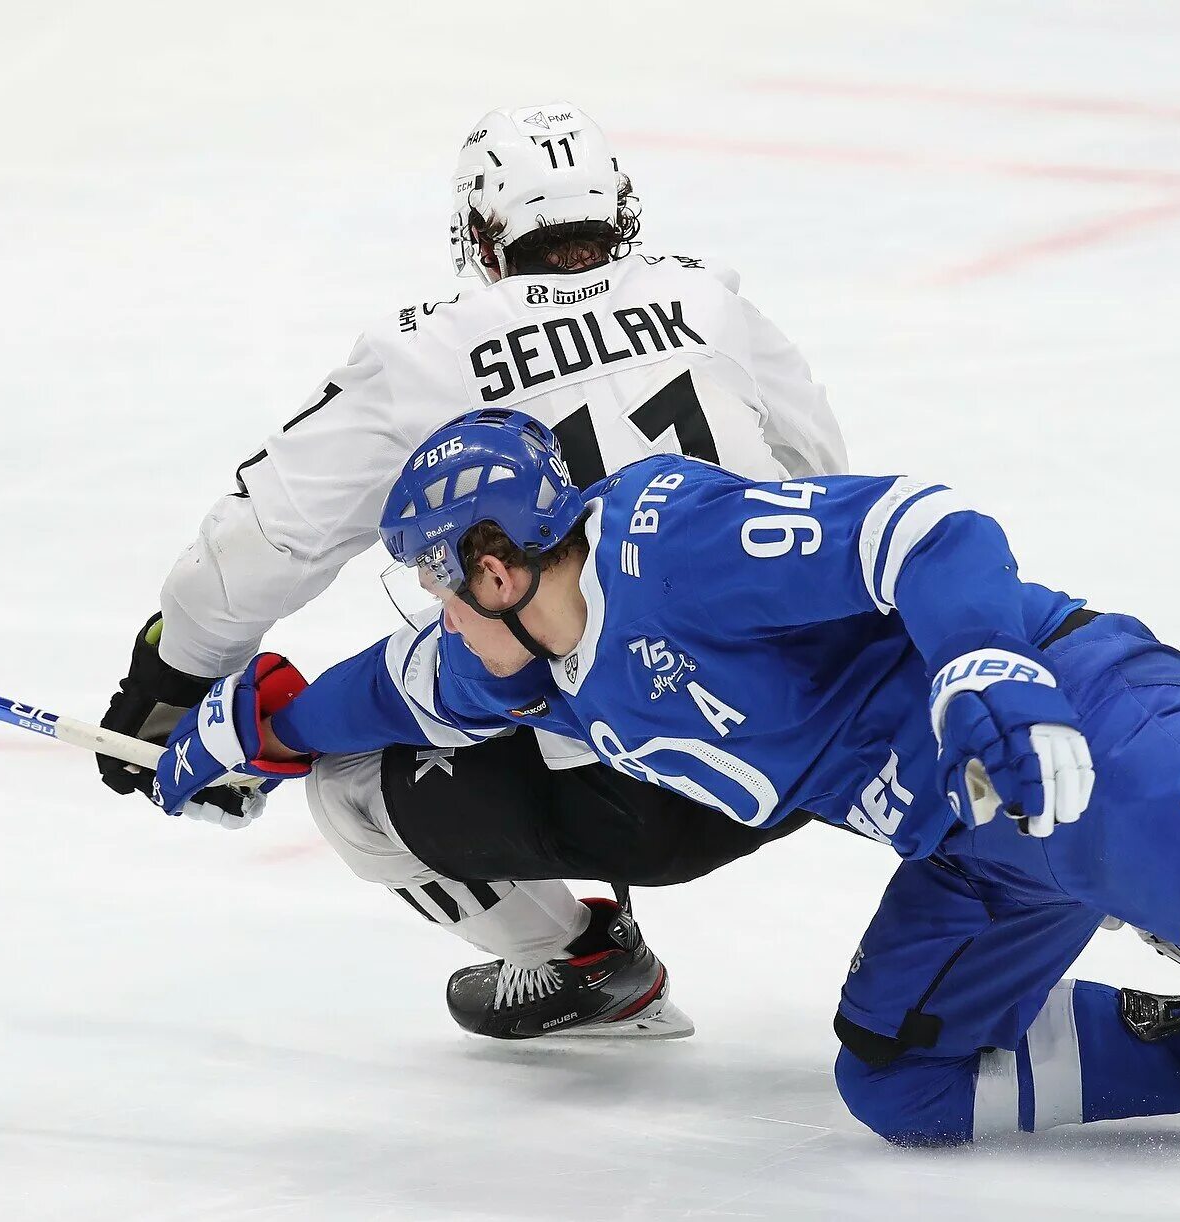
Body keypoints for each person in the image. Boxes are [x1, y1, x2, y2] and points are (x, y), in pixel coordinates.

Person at [141, 410, 1180, 1142]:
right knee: (902, 1076)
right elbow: (368, 690)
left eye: (432, 573)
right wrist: (234, 732)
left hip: (1061, 726)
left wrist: (984, 666)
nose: (427, 604)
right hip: (972, 835)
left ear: (493, 559)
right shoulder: (511, 654)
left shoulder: (665, 540)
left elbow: (924, 528)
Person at [94, 103, 847, 1037]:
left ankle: (580, 964)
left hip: (627, 787)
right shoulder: (710, 298)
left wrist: (176, 669)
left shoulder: (429, 352)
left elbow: (266, 541)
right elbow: (823, 485)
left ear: (483, 234)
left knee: (353, 784)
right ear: (618, 211)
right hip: (798, 750)